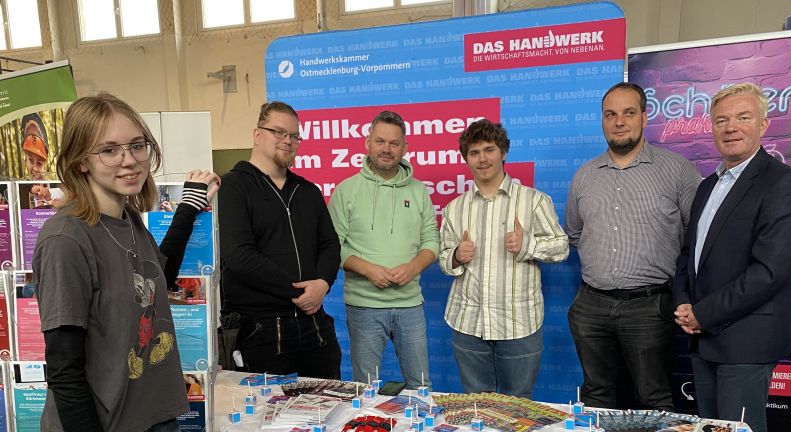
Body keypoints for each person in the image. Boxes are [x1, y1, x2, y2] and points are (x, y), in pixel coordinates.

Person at [32, 93, 219, 432]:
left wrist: (188, 208)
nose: (129, 160)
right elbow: (63, 369)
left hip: (154, 425)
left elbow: (155, 279)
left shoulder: (127, 220)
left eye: (137, 145)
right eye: (110, 149)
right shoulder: (66, 240)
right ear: (81, 160)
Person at [673, 82, 791, 432]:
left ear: (763, 123)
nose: (731, 127)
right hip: (704, 336)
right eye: (722, 120)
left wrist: (703, 313)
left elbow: (770, 271)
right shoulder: (708, 185)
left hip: (745, 339)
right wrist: (682, 301)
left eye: (743, 118)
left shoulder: (784, 183)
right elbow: (688, 254)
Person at [565, 82, 701, 411]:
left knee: (653, 396)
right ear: (602, 120)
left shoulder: (676, 170)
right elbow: (574, 232)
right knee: (595, 396)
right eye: (610, 114)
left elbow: (696, 234)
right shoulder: (585, 176)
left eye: (628, 113)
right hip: (591, 305)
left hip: (650, 307)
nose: (619, 122)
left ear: (644, 116)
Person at [439, 119, 568, 398]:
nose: (482, 159)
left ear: (504, 152)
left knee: (518, 407)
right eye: (474, 153)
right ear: (466, 159)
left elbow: (562, 247)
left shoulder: (533, 201)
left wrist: (528, 244)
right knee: (475, 405)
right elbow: (443, 259)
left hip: (518, 323)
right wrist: (455, 257)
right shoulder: (454, 208)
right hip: (468, 322)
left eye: (489, 150)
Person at [218, 101, 342, 379]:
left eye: (294, 135)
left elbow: (330, 245)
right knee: (263, 416)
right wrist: (297, 292)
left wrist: (322, 283)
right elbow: (239, 255)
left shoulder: (308, 191)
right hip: (260, 331)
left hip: (314, 328)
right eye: (278, 132)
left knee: (329, 409)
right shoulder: (233, 187)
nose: (288, 141)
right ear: (257, 134)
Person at [328, 111, 439, 389]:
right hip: (364, 305)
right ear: (368, 143)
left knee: (420, 386)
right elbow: (332, 247)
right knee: (365, 389)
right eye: (380, 141)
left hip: (410, 305)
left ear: (405, 148)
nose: (386, 149)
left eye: (394, 143)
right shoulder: (346, 190)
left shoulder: (419, 191)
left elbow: (432, 242)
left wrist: (413, 267)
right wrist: (368, 270)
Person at [22, 113, 50, 179]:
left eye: (39, 163)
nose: (34, 168)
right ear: (26, 161)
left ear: (45, 166)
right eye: (31, 160)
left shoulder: (55, 187)